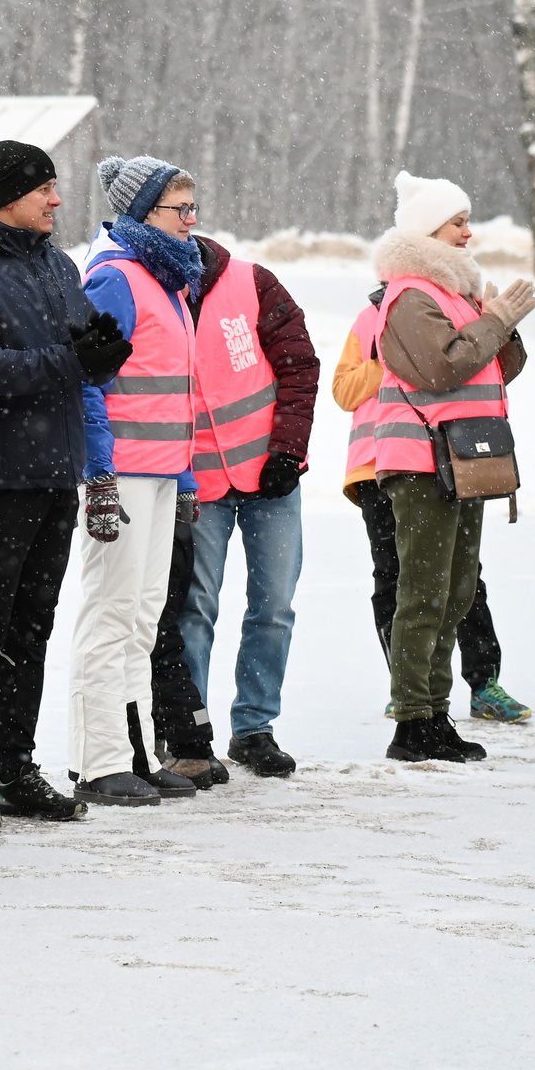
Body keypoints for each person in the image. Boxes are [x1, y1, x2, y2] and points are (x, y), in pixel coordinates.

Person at [0, 141, 129, 828]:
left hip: (52, 472)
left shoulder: (58, 266)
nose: (56, 199)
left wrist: (103, 354)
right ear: (6, 196)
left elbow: (77, 357)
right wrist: (72, 361)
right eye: (44, 188)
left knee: (31, 630)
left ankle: (17, 768)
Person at [370, 172, 535, 763]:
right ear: (428, 231)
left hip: (461, 458)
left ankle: (434, 715)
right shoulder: (409, 295)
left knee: (456, 591)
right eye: (458, 223)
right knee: (424, 591)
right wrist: (494, 322)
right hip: (422, 461)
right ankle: (412, 721)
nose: (469, 233)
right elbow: (443, 368)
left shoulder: (451, 294)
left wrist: (497, 322)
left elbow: (496, 368)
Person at [150, 213, 321, 781]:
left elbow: (300, 367)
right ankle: (190, 733)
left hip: (271, 477)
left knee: (274, 607)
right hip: (197, 484)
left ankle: (254, 728)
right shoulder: (148, 291)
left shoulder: (252, 281)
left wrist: (287, 450)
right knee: (194, 608)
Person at [70, 155, 206, 806]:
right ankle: (97, 761)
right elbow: (86, 381)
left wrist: (184, 476)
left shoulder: (168, 280)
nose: (191, 220)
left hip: (160, 473)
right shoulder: (115, 277)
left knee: (144, 617)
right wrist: (99, 473)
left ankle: (134, 755)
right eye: (181, 209)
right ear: (145, 212)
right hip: (120, 473)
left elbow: (176, 394)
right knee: (111, 611)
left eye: (193, 207)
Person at [334, 291, 528, 724]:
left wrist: (496, 329)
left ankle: (483, 682)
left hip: (442, 459)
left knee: (461, 579)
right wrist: (393, 359)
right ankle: (407, 687)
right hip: (376, 467)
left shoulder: (453, 310)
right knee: (395, 578)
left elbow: (482, 369)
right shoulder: (370, 318)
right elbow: (343, 391)